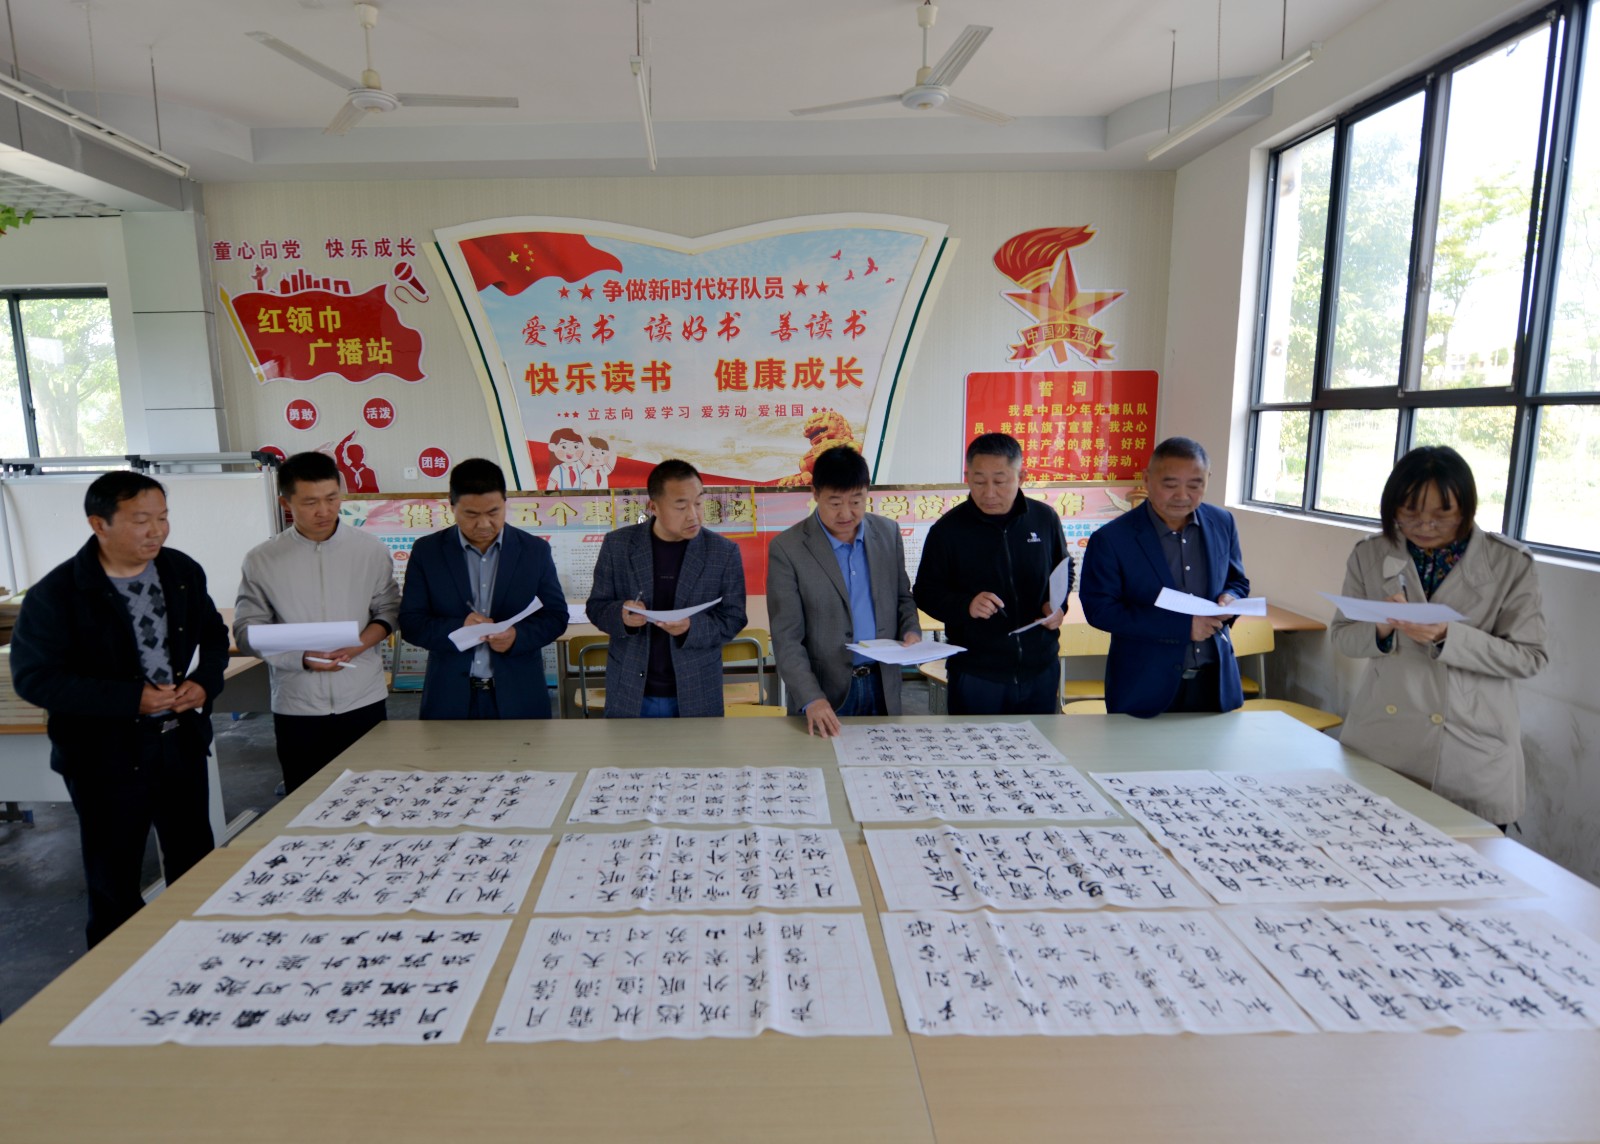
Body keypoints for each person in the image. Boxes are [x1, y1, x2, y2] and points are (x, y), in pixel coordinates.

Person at [10, 472, 229, 947]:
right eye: (141, 520)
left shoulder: (181, 572)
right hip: (104, 758)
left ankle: (199, 957)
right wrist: (130, 699)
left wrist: (204, 683)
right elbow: (34, 678)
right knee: (114, 879)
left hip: (179, 744)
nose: (157, 531)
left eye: (163, 518)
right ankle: (117, 972)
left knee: (195, 862)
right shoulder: (59, 593)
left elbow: (214, 636)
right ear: (99, 524)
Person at [1331, 446, 1546, 827]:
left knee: (1465, 857)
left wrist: (1450, 636)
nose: (1425, 526)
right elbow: (1342, 637)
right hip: (1384, 740)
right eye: (1410, 513)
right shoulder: (1369, 554)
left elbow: (1529, 657)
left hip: (1468, 751)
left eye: (1441, 515)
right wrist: (1381, 628)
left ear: (1466, 509)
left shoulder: (1510, 563)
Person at [234, 451, 400, 794]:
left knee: (371, 795)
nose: (324, 511)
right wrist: (301, 658)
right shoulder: (262, 559)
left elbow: (388, 610)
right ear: (286, 503)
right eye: (310, 502)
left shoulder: (369, 550)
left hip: (362, 697)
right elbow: (248, 631)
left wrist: (357, 646)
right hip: (297, 703)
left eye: (332, 498)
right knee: (305, 797)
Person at [1079, 436, 1250, 717]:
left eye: (1195, 485)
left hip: (1214, 682)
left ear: (1208, 479)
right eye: (1170, 485)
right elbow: (1101, 611)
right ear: (1147, 479)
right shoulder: (1112, 539)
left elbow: (1238, 581)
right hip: (1145, 687)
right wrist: (1182, 628)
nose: (1182, 496)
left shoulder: (1222, 522)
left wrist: (1231, 598)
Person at [769, 445, 921, 736]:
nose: (846, 513)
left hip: (882, 685)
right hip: (824, 693)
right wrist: (811, 697)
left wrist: (910, 629)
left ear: (867, 493)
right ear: (815, 494)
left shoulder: (887, 533)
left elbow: (903, 597)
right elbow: (786, 638)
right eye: (835, 502)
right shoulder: (787, 549)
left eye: (856, 501)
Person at [913, 433, 1070, 715]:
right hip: (977, 673)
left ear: (1021, 477)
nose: (988, 493)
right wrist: (966, 605)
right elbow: (925, 592)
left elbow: (1063, 569)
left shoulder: (1044, 518)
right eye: (979, 481)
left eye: (999, 481)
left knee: (1038, 743)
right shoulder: (948, 530)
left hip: (1040, 669)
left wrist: (1058, 607)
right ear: (967, 477)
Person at [398, 458, 569, 718]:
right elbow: (411, 622)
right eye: (472, 515)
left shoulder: (534, 551)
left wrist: (517, 637)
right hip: (449, 696)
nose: (484, 524)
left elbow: (555, 616)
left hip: (520, 695)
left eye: (493, 512)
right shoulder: (428, 552)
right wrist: (459, 627)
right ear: (452, 506)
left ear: (505, 503)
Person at [586, 458, 748, 717]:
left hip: (696, 689)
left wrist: (691, 627)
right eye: (681, 506)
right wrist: (622, 616)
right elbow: (596, 607)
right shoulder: (618, 545)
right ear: (654, 507)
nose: (693, 514)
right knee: (626, 746)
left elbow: (734, 618)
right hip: (630, 689)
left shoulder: (722, 552)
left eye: (698, 503)